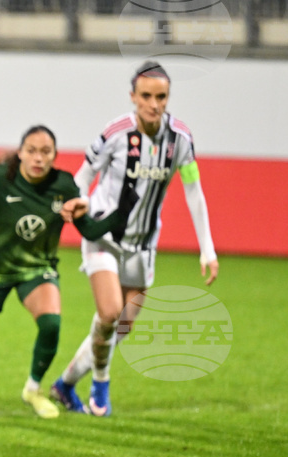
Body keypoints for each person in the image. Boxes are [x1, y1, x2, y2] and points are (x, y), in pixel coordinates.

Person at [49, 61, 219, 417]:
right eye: (146, 96)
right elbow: (84, 175)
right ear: (133, 96)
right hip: (104, 234)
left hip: (143, 244)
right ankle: (101, 385)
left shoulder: (181, 140)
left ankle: (65, 384)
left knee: (123, 324)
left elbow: (194, 190)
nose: (154, 104)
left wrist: (207, 248)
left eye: (161, 97)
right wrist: (79, 199)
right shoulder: (115, 133)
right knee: (109, 313)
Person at [0, 126, 117, 418]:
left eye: (45, 152)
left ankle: (33, 388)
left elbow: (88, 229)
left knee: (51, 324)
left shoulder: (65, 185)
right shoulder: (2, 177)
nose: (38, 158)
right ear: (21, 152)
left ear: (55, 155)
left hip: (36, 268)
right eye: (31, 151)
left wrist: (121, 208)